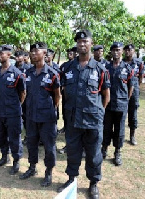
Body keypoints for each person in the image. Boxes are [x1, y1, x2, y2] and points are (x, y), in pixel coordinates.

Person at [57, 30, 110, 199]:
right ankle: (71, 179)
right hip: (73, 119)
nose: (82, 44)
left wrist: (97, 111)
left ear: (91, 44)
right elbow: (64, 91)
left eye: (85, 41)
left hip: (93, 119)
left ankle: (93, 183)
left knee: (94, 153)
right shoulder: (67, 68)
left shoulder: (100, 69)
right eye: (79, 42)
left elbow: (106, 96)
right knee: (73, 150)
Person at [19, 42, 60, 187]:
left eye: (36, 51)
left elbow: (57, 96)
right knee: (31, 143)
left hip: (47, 118)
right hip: (31, 116)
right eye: (32, 51)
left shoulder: (52, 74)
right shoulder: (28, 73)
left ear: (44, 53)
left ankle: (48, 172)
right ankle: (32, 167)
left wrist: (50, 110)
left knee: (49, 146)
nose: (33, 54)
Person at [0, 45, 26, 175]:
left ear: (8, 55)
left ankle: (16, 161)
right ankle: (4, 156)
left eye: (1, 53)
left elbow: (23, 93)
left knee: (14, 138)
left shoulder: (17, 73)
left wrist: (15, 105)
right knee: (0, 136)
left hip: (13, 112)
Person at [102, 42, 133, 166]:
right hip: (108, 104)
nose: (116, 52)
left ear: (122, 52)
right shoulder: (106, 67)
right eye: (113, 50)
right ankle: (104, 149)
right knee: (106, 128)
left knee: (119, 129)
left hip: (121, 104)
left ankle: (117, 152)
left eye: (118, 50)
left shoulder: (127, 68)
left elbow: (131, 86)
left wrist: (126, 99)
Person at [57, 48, 77, 154]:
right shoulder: (66, 66)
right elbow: (62, 80)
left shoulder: (83, 65)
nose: (70, 54)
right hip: (68, 99)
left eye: (72, 52)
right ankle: (68, 146)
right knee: (69, 121)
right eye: (68, 52)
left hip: (81, 102)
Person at [123, 44, 144, 145]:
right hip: (122, 90)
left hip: (134, 91)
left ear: (133, 51)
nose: (127, 51)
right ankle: (119, 135)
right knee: (120, 114)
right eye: (126, 50)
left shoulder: (139, 62)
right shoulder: (121, 62)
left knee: (133, 114)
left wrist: (135, 87)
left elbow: (140, 77)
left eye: (130, 50)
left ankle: (132, 136)